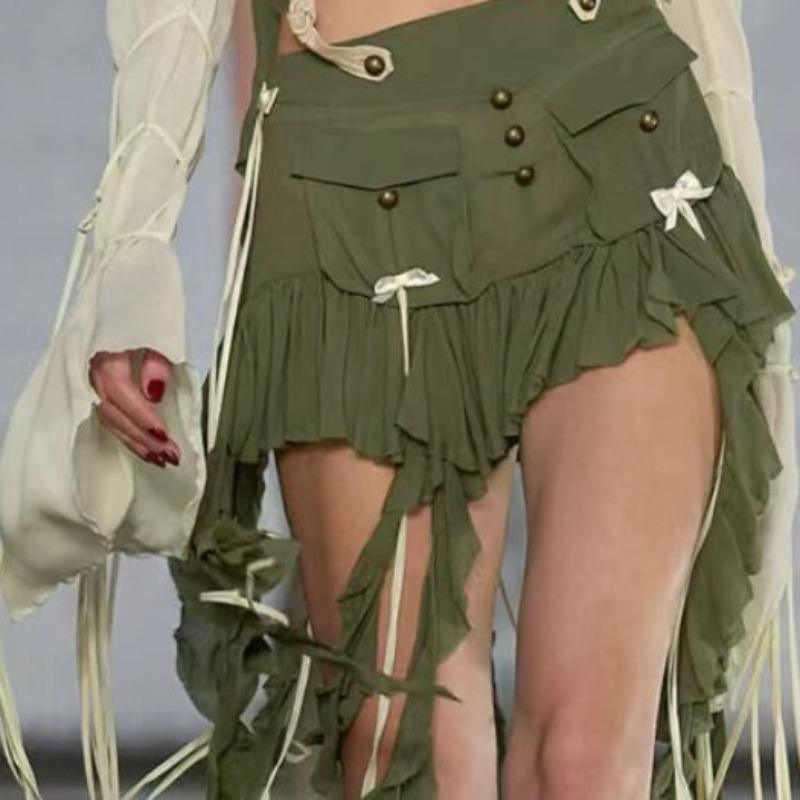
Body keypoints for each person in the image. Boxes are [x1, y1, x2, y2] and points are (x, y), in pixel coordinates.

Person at [0, 0, 797, 799]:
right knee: (406, 753)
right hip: (350, 197)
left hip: (619, 144)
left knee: (584, 763)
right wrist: (132, 253)